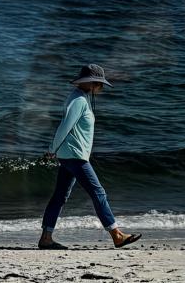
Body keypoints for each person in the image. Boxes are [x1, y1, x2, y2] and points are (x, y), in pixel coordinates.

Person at [39, 64, 141, 250]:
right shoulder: (78, 100)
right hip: (75, 155)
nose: (101, 87)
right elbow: (65, 126)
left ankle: (46, 237)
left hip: (71, 155)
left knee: (59, 196)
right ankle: (117, 235)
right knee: (98, 192)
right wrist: (52, 149)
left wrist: (55, 150)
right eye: (99, 83)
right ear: (90, 83)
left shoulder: (82, 97)